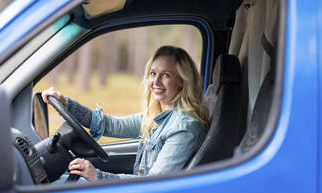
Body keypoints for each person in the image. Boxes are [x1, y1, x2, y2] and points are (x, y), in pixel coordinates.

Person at [42, 45, 210, 182]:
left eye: (166, 75)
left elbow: (153, 184)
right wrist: (66, 104)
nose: (156, 81)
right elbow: (111, 125)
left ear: (182, 81)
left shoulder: (183, 128)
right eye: (153, 73)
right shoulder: (158, 115)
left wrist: (97, 176)